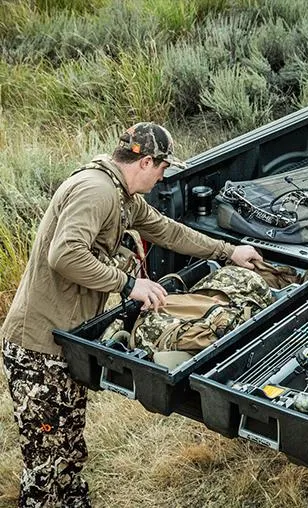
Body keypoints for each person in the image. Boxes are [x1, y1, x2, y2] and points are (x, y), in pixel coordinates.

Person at [1, 122, 262, 507]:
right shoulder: (96, 191)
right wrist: (127, 284)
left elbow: (167, 231)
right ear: (146, 161)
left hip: (63, 341)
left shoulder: (122, 196)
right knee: (46, 462)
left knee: (68, 446)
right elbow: (65, 255)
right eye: (162, 168)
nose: (162, 177)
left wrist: (226, 252)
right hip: (37, 348)